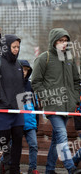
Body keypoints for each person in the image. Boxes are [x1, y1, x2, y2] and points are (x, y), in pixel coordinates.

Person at [31, 28, 81, 174]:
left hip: (67, 105)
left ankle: (49, 169)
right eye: (60, 40)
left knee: (56, 139)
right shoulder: (43, 58)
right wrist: (46, 97)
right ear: (53, 42)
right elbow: (35, 82)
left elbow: (77, 81)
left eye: (65, 41)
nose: (63, 44)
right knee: (62, 134)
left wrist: (74, 97)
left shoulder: (69, 59)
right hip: (52, 106)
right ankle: (70, 167)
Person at [0, 35, 25, 174]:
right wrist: (0, 98)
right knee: (2, 140)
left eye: (18, 47)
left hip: (18, 110)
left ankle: (14, 169)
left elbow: (20, 86)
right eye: (13, 47)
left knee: (18, 139)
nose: (16, 49)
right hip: (2, 110)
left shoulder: (19, 64)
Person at [19, 60, 39, 174]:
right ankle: (8, 164)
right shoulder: (13, 83)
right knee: (16, 147)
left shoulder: (29, 85)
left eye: (26, 70)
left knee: (34, 145)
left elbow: (35, 104)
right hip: (18, 121)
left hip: (30, 121)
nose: (24, 72)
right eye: (22, 69)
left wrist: (36, 121)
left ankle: (33, 168)